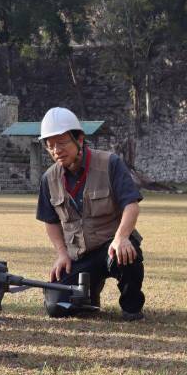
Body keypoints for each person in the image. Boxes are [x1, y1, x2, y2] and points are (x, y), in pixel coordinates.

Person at [35, 107, 145, 320]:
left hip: (110, 246)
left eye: (62, 142)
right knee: (56, 306)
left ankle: (131, 306)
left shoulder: (110, 163)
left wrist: (121, 238)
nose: (56, 150)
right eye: (50, 146)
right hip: (79, 254)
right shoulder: (48, 179)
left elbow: (131, 205)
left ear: (80, 139)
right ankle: (89, 296)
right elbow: (50, 221)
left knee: (127, 254)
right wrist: (62, 254)